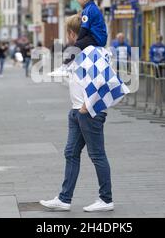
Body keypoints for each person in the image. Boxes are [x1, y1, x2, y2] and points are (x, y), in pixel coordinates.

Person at [40, 14, 114, 213]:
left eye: (68, 33)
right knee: (71, 152)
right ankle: (64, 199)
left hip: (88, 111)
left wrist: (86, 106)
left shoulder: (94, 52)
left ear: (74, 33)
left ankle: (106, 199)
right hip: (77, 110)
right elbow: (74, 72)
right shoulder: (82, 52)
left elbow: (102, 81)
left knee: (97, 154)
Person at [52, 0, 108, 76]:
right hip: (99, 37)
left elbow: (84, 28)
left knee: (77, 46)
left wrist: (78, 40)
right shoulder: (93, 8)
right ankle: (71, 66)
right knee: (80, 47)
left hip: (96, 38)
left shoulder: (88, 10)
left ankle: (65, 66)